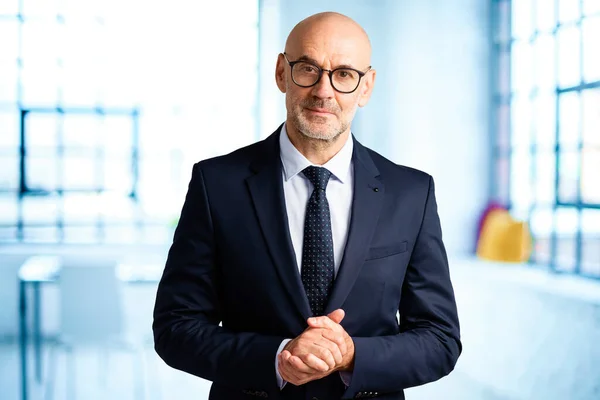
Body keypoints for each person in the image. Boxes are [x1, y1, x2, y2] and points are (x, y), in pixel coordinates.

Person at [153, 11, 461, 400]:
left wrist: (353, 355)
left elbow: (440, 339)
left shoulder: (412, 192)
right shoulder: (217, 184)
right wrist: (277, 358)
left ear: (366, 87)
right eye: (308, 69)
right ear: (282, 72)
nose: (323, 91)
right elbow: (175, 327)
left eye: (344, 75)